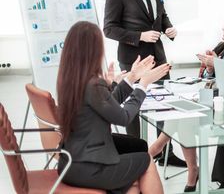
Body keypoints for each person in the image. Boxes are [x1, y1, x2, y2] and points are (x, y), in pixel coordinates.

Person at [56, 21, 170, 193]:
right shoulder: (93, 84)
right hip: (89, 167)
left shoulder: (71, 80)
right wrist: (143, 85)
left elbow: (107, 105)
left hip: (71, 161)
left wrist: (131, 78)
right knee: (146, 161)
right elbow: (123, 117)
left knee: (137, 149)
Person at [148, 14, 224, 191]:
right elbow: (207, 77)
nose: (223, 28)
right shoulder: (221, 47)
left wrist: (216, 64)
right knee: (182, 115)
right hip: (209, 100)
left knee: (183, 117)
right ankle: (190, 167)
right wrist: (211, 68)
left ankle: (161, 146)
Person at [103, 0, 184, 167]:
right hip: (133, 61)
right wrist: (139, 36)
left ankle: (164, 153)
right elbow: (109, 29)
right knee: (134, 110)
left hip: (158, 57)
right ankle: (135, 155)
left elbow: (161, 15)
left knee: (164, 105)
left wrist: (169, 29)